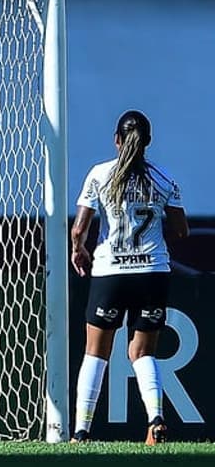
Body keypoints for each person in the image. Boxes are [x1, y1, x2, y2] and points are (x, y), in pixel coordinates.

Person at [70, 110, 188, 445]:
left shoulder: (100, 175)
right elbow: (181, 230)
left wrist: (78, 249)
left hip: (111, 273)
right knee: (143, 353)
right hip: (152, 273)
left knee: (96, 352)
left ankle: (81, 432)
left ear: (116, 140)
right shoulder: (165, 179)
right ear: (148, 142)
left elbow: (79, 228)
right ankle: (156, 420)